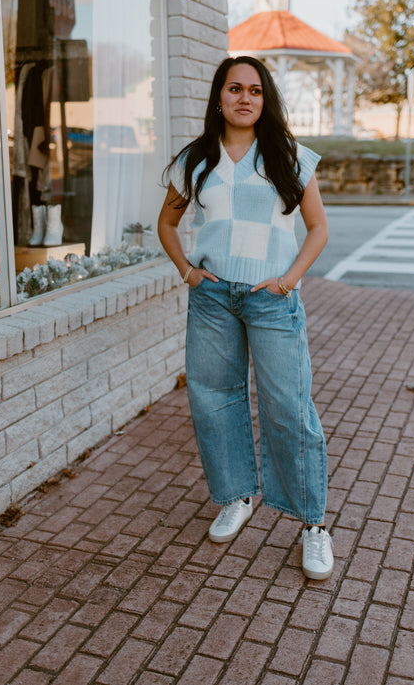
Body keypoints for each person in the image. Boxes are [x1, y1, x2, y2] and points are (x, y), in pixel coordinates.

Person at [157, 56, 333, 579]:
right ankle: (236, 496)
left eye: (255, 91)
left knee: (289, 407)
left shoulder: (288, 156)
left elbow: (319, 228)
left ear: (265, 100)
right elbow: (166, 223)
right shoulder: (195, 159)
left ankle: (314, 525)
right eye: (234, 89)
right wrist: (188, 271)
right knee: (214, 399)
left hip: (271, 297)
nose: (244, 98)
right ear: (219, 97)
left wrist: (287, 280)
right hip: (213, 297)